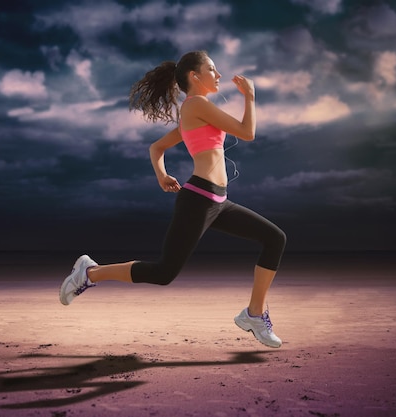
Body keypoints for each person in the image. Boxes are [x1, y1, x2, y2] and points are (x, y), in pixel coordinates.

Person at [59, 51, 287, 348]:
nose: (218, 75)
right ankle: (89, 273)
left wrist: (162, 175)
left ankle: (254, 315)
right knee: (164, 272)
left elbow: (156, 148)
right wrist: (250, 97)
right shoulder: (196, 105)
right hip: (199, 200)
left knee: (274, 238)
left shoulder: (196, 112)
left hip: (219, 202)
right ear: (195, 76)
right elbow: (247, 132)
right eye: (212, 70)